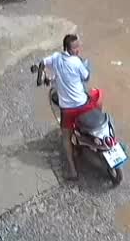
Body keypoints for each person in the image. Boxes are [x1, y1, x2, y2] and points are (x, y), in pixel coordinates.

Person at [38, 34, 97, 180]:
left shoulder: (56, 58)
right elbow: (87, 77)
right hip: (82, 104)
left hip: (68, 110)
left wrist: (40, 76)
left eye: (78, 46)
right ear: (67, 48)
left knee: (65, 136)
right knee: (96, 97)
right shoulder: (77, 62)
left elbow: (42, 63)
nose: (78, 50)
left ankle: (72, 170)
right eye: (75, 47)